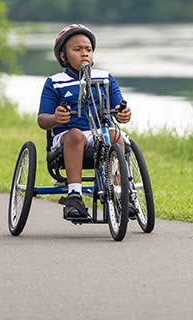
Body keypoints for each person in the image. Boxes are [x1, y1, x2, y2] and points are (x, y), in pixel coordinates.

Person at [37, 24, 133, 222]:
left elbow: (118, 108)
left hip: (100, 133)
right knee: (75, 135)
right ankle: (75, 196)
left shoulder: (105, 78)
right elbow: (42, 120)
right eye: (77, 49)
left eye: (88, 50)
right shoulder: (55, 82)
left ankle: (119, 193)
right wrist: (56, 118)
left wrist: (124, 114)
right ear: (63, 56)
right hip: (67, 137)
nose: (84, 54)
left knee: (115, 134)